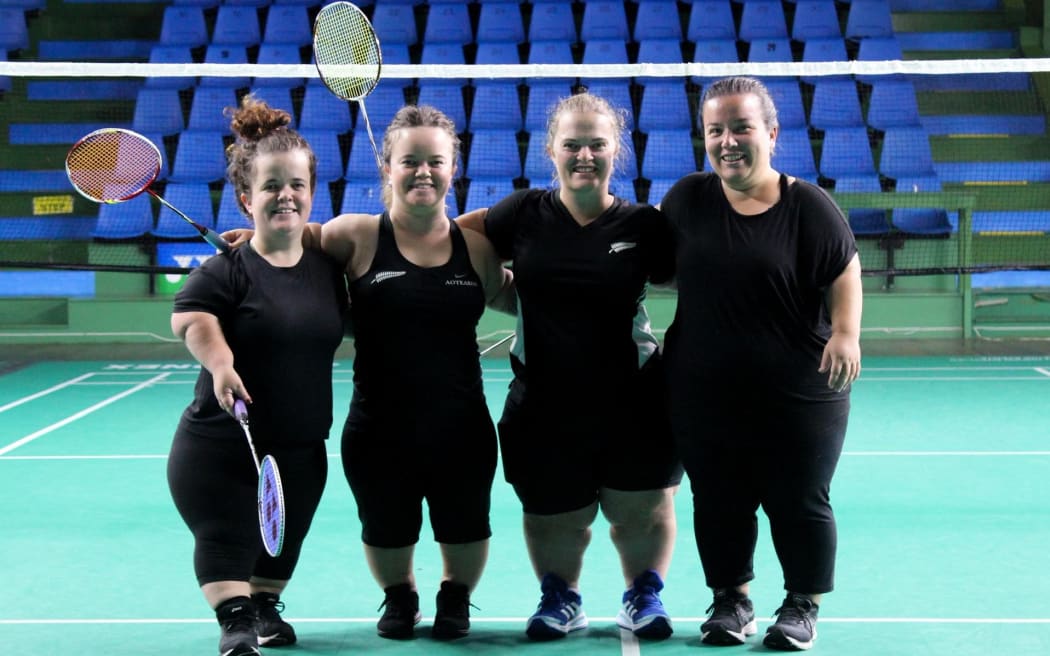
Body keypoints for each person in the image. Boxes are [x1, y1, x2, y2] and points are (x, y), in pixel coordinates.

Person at [226, 104, 514, 641]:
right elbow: (295, 239)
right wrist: (252, 240)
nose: (423, 172)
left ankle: (456, 597)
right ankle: (399, 596)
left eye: (436, 161)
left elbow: (518, 298)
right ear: (388, 168)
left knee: (467, 523)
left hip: (462, 423)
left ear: (455, 168)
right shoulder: (353, 235)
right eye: (409, 161)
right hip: (378, 423)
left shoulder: (476, 249)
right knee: (385, 526)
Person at [455, 91, 683, 641]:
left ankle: (643, 594)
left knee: (643, 505)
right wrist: (505, 291)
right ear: (551, 152)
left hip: (632, 396)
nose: (584, 155)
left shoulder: (643, 225)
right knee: (553, 511)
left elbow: (695, 276)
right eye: (572, 145)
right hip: (544, 400)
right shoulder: (523, 213)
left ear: (616, 153)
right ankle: (561, 598)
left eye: (597, 145)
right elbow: (451, 237)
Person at [657, 76, 863, 651]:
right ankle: (732, 600)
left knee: (799, 497)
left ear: (771, 133)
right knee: (719, 498)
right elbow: (639, 254)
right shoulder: (688, 199)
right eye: (715, 129)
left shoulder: (806, 205)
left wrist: (846, 332)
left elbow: (844, 266)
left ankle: (801, 604)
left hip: (799, 387)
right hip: (702, 387)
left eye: (741, 127)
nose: (728, 141)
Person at [168, 95, 348, 656]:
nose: (285, 195)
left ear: (312, 193)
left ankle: (264, 606)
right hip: (222, 441)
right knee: (224, 534)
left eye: (296, 184)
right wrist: (221, 364)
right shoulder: (227, 267)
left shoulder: (328, 268)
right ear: (248, 198)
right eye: (271, 186)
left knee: (282, 543)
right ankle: (235, 619)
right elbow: (190, 318)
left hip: (301, 441)